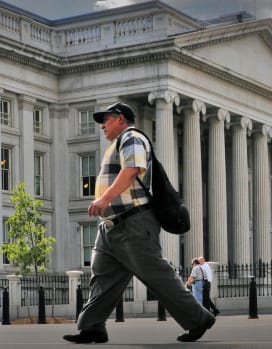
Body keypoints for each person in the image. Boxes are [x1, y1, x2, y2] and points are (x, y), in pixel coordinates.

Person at [63, 102, 215, 344]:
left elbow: (132, 169)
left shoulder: (131, 137)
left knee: (157, 275)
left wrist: (104, 199)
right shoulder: (116, 144)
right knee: (102, 278)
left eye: (107, 119)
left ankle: (199, 319)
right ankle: (93, 327)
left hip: (133, 222)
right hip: (111, 227)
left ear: (121, 118)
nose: (102, 125)